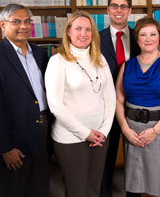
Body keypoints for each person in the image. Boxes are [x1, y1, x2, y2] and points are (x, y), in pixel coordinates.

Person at [0, 4, 51, 197]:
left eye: (27, 21)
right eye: (16, 21)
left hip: (42, 130)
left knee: (39, 187)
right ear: (2, 24)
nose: (23, 26)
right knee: (12, 190)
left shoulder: (40, 53)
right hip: (13, 138)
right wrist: (4, 147)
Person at [44, 11, 116, 197]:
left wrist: (104, 132)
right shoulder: (57, 61)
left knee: (94, 189)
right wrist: (86, 133)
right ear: (68, 31)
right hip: (70, 138)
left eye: (88, 29)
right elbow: (55, 105)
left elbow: (110, 97)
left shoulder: (100, 59)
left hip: (100, 136)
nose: (83, 34)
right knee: (77, 190)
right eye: (78, 29)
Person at [115, 16, 160, 197]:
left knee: (158, 186)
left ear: (159, 37)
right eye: (143, 34)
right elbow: (118, 100)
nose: (148, 39)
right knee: (133, 183)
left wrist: (154, 131)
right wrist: (125, 128)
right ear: (137, 39)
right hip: (132, 131)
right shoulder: (127, 66)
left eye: (152, 34)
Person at [99, 0, 141, 197]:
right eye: (114, 5)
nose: (119, 10)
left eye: (123, 6)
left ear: (130, 10)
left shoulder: (141, 38)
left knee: (135, 159)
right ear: (107, 9)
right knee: (104, 159)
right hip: (105, 109)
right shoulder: (95, 40)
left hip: (134, 107)